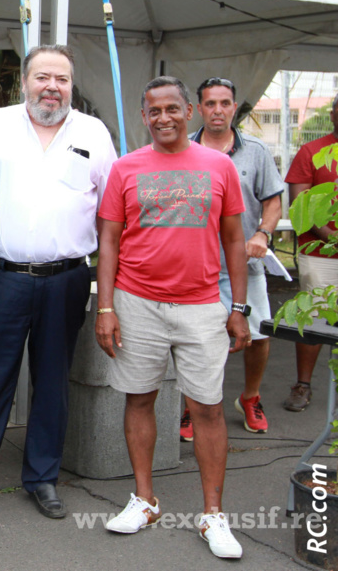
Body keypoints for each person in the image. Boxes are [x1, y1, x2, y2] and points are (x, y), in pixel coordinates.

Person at [0, 44, 117, 522]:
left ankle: (42, 477)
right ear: (24, 81)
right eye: (42, 77)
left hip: (67, 278)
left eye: (61, 78)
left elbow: (110, 214)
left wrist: (108, 295)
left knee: (52, 382)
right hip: (2, 277)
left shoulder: (94, 133)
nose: (52, 87)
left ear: (71, 85)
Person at [95, 76, 249, 559]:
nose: (163, 118)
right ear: (144, 116)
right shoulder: (126, 168)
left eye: (172, 109)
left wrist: (238, 308)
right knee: (139, 399)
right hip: (136, 301)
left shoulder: (219, 166)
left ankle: (213, 515)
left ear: (189, 111)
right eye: (154, 111)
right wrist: (105, 307)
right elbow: (109, 241)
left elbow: (234, 241)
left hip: (202, 304)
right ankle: (144, 500)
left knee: (206, 407)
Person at [179, 77, 283, 438]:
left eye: (225, 103)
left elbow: (272, 200)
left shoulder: (255, 151)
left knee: (257, 334)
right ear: (198, 109)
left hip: (245, 265)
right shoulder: (183, 148)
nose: (218, 110)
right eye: (211, 103)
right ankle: (195, 406)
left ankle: (250, 397)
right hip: (197, 267)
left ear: (234, 107)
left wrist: (263, 233)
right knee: (198, 339)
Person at [283, 94, 338, 412]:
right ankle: (303, 384)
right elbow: (300, 206)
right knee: (315, 319)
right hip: (320, 254)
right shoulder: (312, 151)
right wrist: (332, 239)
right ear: (333, 114)